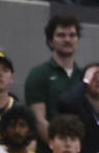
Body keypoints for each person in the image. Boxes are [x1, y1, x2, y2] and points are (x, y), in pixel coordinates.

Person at [23, 13, 83, 145]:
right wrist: (58, 147)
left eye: (72, 35)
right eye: (61, 35)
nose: (67, 39)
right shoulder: (38, 74)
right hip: (49, 151)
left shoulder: (85, 75)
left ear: (78, 41)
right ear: (50, 41)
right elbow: (39, 119)